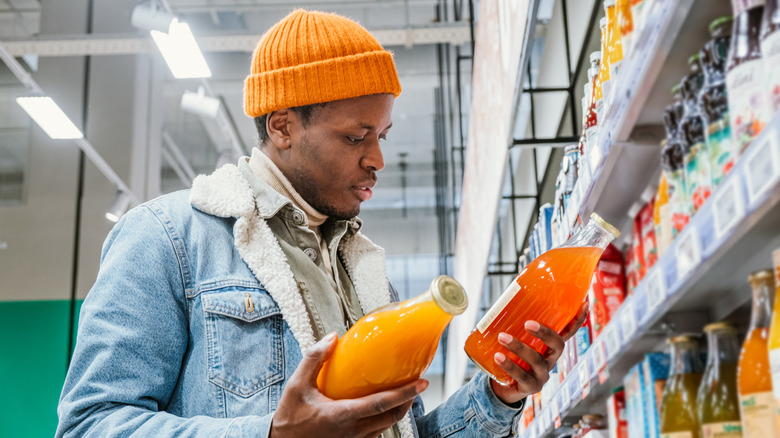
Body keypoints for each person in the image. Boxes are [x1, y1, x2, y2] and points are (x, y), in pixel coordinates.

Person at [56, 9, 587, 438]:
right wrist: (272, 434)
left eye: (383, 134)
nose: (378, 158)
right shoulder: (167, 238)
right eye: (357, 137)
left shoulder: (363, 269)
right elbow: (89, 425)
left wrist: (498, 394)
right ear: (283, 126)